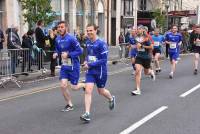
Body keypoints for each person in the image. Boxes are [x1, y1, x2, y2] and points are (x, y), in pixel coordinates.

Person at [80, 24, 115, 123]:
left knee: (101, 91)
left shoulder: (102, 43)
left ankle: (111, 98)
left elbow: (104, 60)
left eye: (91, 30)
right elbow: (88, 55)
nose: (89, 32)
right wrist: (86, 61)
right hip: (91, 71)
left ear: (96, 31)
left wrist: (90, 64)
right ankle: (87, 113)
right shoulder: (88, 42)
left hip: (100, 72)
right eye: (87, 31)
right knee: (88, 90)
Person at [53, 21, 85, 112]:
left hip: (74, 65)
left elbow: (80, 51)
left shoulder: (72, 38)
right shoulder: (57, 39)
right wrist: (56, 53)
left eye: (62, 27)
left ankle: (84, 84)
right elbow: (58, 49)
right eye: (59, 27)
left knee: (74, 87)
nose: (60, 28)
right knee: (63, 85)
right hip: (64, 66)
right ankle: (69, 104)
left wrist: (68, 55)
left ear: (66, 28)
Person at [131, 26, 155, 95]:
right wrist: (135, 46)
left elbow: (151, 47)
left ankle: (151, 72)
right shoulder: (136, 37)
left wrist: (142, 46)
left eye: (139, 29)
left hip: (146, 57)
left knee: (146, 73)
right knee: (137, 70)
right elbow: (137, 44)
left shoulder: (147, 37)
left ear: (142, 30)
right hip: (139, 56)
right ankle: (138, 89)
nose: (138, 30)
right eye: (137, 29)